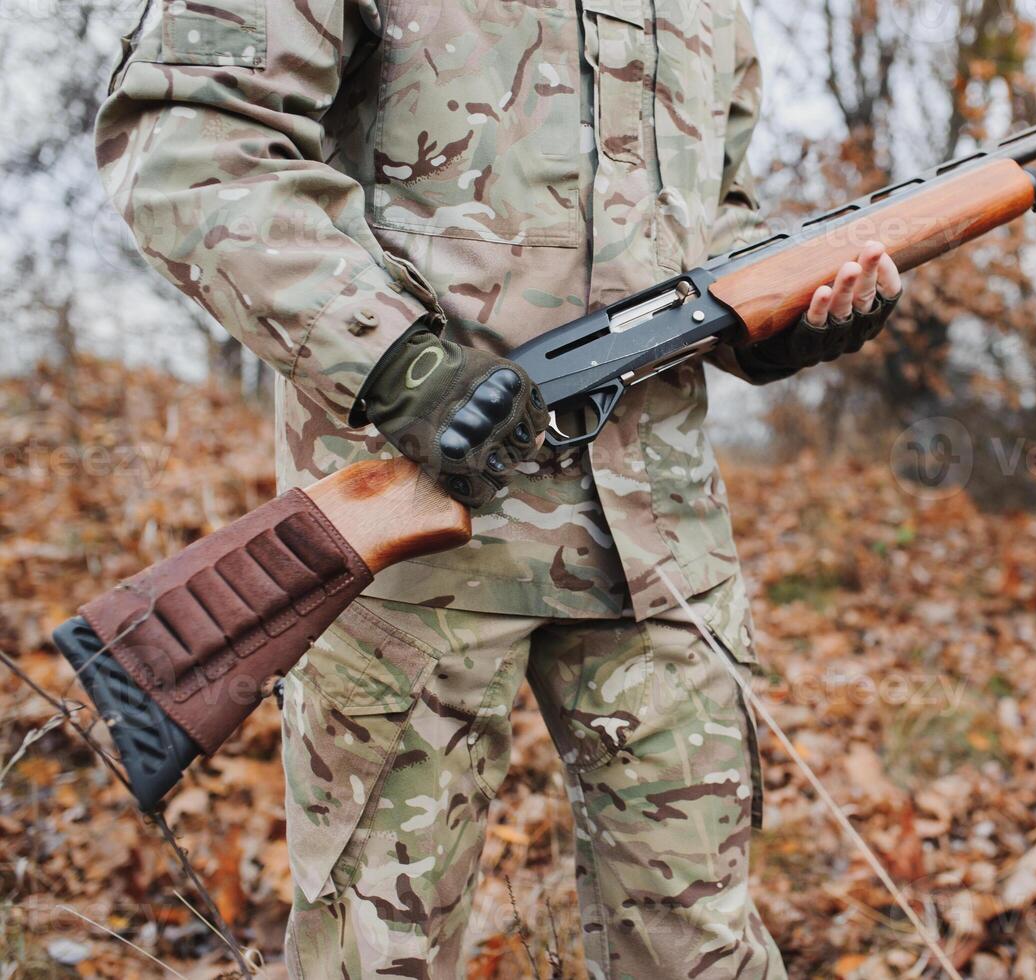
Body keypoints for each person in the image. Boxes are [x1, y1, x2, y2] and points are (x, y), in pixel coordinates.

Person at [95, 0, 900, 975]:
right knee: (375, 954)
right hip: (406, 549)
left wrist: (786, 314)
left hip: (661, 543)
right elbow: (190, 140)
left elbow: (706, 215)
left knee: (704, 951)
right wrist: (395, 359)